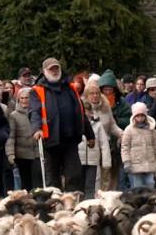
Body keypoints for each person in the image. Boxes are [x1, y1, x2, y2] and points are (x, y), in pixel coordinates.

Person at [29, 58, 95, 192]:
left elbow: (80, 112)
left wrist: (89, 135)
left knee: (74, 176)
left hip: (70, 140)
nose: (54, 71)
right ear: (44, 71)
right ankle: (55, 207)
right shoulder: (37, 90)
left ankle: (74, 205)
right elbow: (34, 112)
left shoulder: (70, 88)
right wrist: (36, 129)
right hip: (50, 141)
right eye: (51, 69)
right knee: (52, 180)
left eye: (56, 68)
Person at [79, 82, 114, 199]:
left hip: (94, 160)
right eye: (84, 111)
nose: (86, 114)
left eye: (88, 112)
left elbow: (104, 144)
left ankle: (91, 203)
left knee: (93, 185)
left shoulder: (97, 124)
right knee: (79, 185)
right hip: (79, 160)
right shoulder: (75, 124)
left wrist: (106, 162)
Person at [98, 70, 129, 190]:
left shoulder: (123, 104)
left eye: (110, 89)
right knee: (101, 174)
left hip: (117, 144)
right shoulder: (97, 103)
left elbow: (128, 119)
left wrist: (116, 120)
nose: (108, 92)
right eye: (105, 89)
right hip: (101, 144)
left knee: (115, 173)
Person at [6, 88, 41, 191]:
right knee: (25, 183)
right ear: (18, 99)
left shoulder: (38, 113)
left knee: (38, 181)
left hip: (37, 153)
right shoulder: (14, 115)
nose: (24, 100)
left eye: (27, 98)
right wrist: (10, 153)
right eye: (22, 98)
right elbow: (10, 136)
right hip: (22, 154)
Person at [121, 103, 156, 189]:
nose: (140, 118)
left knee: (150, 184)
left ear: (145, 116)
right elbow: (125, 147)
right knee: (137, 187)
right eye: (137, 116)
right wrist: (126, 161)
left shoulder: (152, 129)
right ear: (134, 116)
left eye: (142, 115)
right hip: (135, 164)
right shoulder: (129, 130)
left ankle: (150, 201)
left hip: (149, 163)